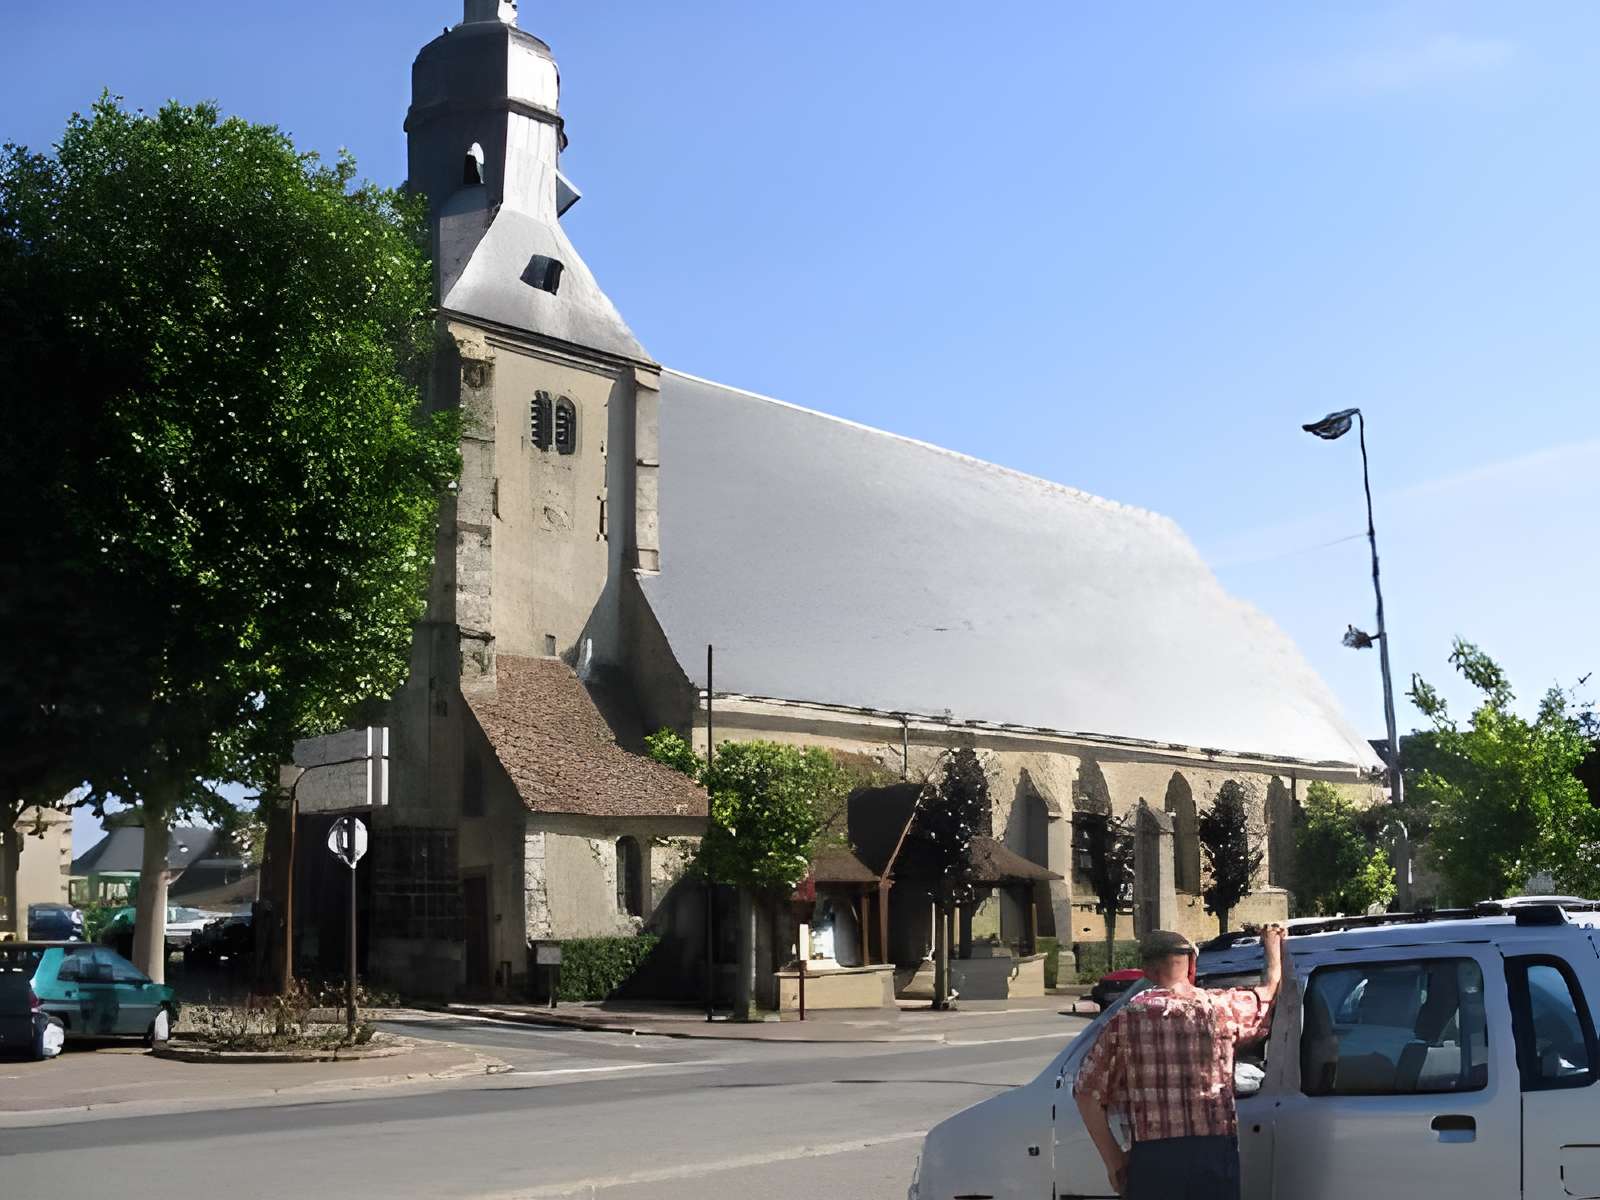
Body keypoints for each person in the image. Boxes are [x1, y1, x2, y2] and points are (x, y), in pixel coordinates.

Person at [1074, 925, 1287, 1199]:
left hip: (1153, 1159)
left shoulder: (1125, 1021)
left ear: (1147, 971)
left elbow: (1086, 1094)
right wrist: (1272, 947)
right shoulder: (1222, 1008)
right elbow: (1268, 994)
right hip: (1214, 1151)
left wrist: (1114, 1161)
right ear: (1191, 967)